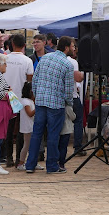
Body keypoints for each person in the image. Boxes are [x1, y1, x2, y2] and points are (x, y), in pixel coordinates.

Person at [25, 36, 76, 174]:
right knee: (53, 135)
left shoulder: (45, 58)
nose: (74, 49)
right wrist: (69, 104)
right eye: (72, 46)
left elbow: (35, 80)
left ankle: (30, 164)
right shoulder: (68, 65)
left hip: (41, 101)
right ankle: (52, 166)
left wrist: (37, 96)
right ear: (66, 48)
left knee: (37, 134)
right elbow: (68, 90)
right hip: (56, 104)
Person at [2, 34, 33, 167]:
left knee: (8, 129)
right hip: (22, 98)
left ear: (12, 44)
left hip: (8, 97)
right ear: (24, 45)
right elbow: (30, 80)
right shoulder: (27, 61)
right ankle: (19, 159)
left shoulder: (4, 58)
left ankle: (8, 157)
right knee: (22, 129)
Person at [66, 39, 85, 156]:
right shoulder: (73, 62)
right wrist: (83, 74)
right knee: (78, 121)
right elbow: (78, 78)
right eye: (73, 46)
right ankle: (77, 147)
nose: (74, 49)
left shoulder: (54, 59)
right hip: (72, 96)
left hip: (60, 97)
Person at [17, 81, 35, 170]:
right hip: (27, 127)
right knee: (27, 145)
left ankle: (33, 162)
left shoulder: (30, 101)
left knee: (32, 145)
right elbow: (30, 113)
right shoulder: (26, 102)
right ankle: (21, 163)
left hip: (31, 126)